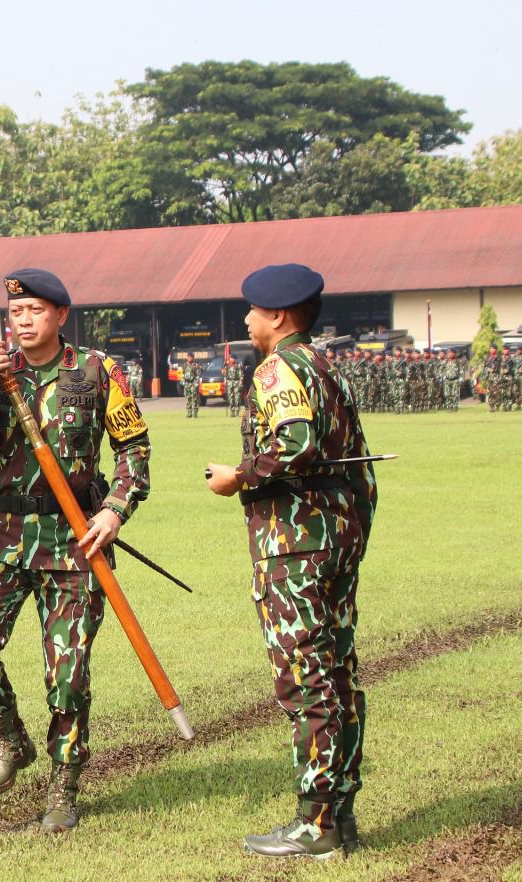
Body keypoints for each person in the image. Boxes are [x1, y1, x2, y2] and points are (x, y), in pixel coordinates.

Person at [0, 269, 150, 834]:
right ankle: (12, 740)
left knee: (67, 674)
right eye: (15, 312)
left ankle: (64, 782)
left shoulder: (97, 371)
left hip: (74, 541)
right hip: (2, 536)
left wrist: (115, 510)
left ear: (61, 315)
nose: (23, 321)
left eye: (36, 311)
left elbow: (134, 448)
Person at [205, 264, 376, 860]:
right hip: (336, 537)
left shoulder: (278, 368)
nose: (247, 319)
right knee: (338, 674)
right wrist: (351, 531)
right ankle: (341, 814)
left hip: (295, 544)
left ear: (277, 316)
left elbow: (294, 443)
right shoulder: (329, 367)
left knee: (306, 678)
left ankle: (316, 823)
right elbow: (357, 464)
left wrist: (236, 476)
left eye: (253, 310)